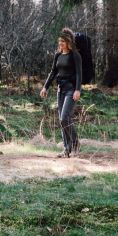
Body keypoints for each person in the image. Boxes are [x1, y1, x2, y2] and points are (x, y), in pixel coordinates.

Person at [40, 28, 82, 158]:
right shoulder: (58, 55)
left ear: (69, 41)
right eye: (60, 41)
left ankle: (76, 145)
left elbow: (79, 73)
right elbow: (53, 72)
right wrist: (45, 87)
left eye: (63, 41)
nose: (61, 43)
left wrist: (77, 90)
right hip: (60, 89)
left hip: (71, 89)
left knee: (65, 117)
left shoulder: (75, 55)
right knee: (61, 120)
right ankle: (67, 149)